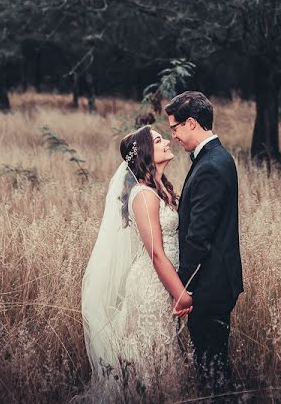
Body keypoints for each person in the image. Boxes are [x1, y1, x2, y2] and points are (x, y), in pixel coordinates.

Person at [80, 125, 193, 401]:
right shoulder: (143, 196)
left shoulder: (161, 189)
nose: (167, 141)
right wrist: (181, 294)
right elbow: (155, 253)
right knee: (153, 358)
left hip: (163, 283)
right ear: (145, 153)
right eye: (158, 139)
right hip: (151, 287)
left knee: (164, 357)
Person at [165, 91, 244, 397]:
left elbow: (199, 238)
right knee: (214, 364)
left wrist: (181, 287)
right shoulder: (217, 158)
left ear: (192, 123)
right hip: (216, 282)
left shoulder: (211, 166)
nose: (174, 137)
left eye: (175, 129)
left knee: (212, 369)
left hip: (209, 286)